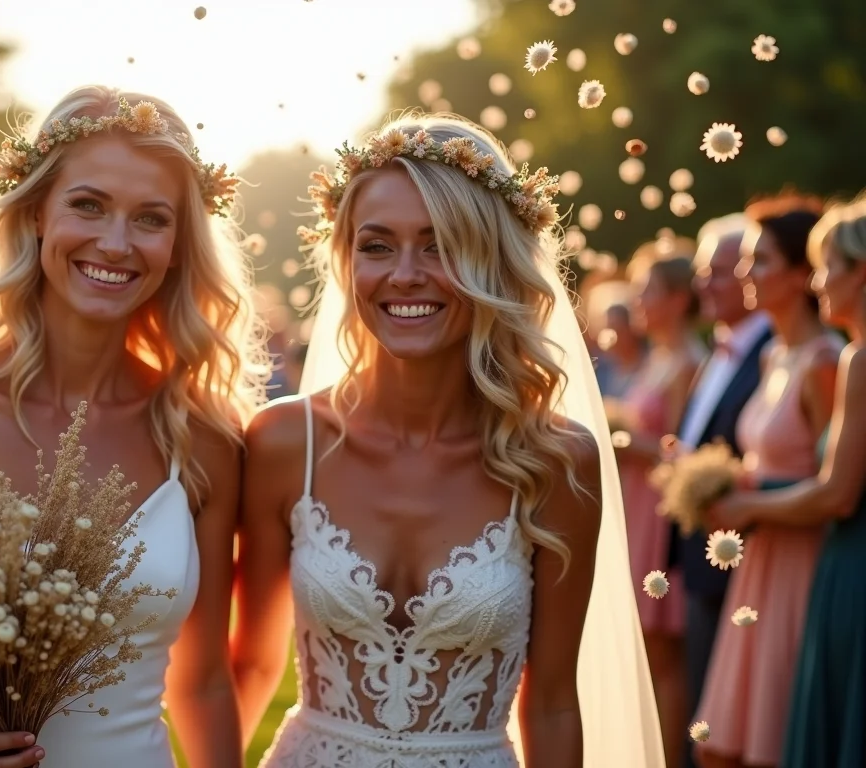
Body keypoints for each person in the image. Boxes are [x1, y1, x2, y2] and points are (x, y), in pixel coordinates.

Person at [232, 114, 663, 767]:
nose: (406, 274)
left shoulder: (557, 461)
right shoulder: (287, 441)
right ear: (345, 263)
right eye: (377, 246)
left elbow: (550, 702)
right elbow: (249, 669)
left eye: (440, 245)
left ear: (494, 261)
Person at [0, 86, 266, 768]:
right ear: (38, 212)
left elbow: (202, 682)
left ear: (177, 244)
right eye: (88, 205)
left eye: (150, 218)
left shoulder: (204, 439)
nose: (115, 242)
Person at [708, 194, 866, 768]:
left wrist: (747, 506)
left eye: (828, 267)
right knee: (731, 741)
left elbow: (835, 488)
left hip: (816, 556)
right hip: (769, 555)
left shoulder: (841, 360)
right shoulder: (781, 355)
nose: (823, 282)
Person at [668, 213, 771, 768]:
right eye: (703, 273)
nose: (704, 284)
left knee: (727, 720)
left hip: (745, 562)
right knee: (701, 704)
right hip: (698, 555)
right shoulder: (718, 352)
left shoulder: (772, 353)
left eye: (720, 273)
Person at [610, 239, 705, 768]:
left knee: (661, 652)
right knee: (645, 650)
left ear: (675, 299)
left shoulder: (689, 361)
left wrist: (622, 442)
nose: (640, 301)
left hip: (659, 513)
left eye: (649, 291)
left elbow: (678, 445)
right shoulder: (659, 358)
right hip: (637, 507)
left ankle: (669, 759)